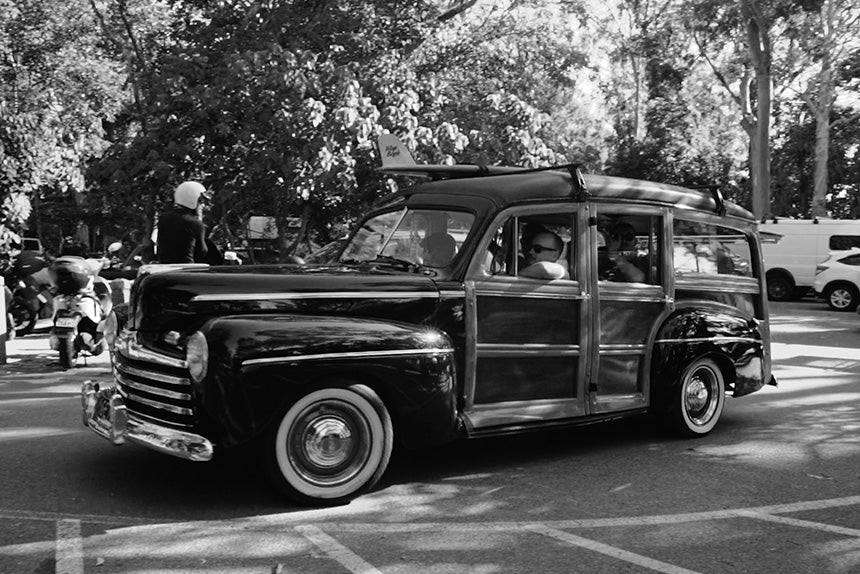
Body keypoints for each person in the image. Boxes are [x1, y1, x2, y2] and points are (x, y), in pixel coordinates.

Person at [156, 181, 212, 264]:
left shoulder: (164, 218)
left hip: (164, 270)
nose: (203, 205)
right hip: (186, 271)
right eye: (200, 201)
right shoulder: (195, 223)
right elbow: (202, 252)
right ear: (192, 200)